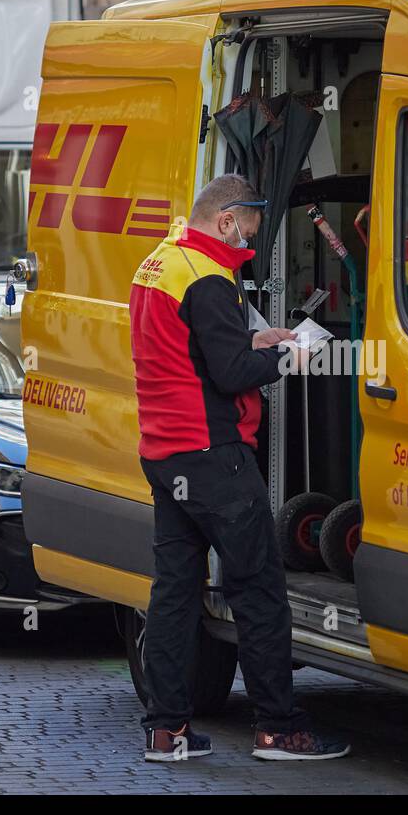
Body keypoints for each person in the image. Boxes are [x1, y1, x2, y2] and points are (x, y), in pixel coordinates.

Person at [129, 173, 350, 763]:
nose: (245, 250)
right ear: (225, 220)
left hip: (164, 453)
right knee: (258, 589)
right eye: (245, 236)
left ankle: (166, 730)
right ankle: (280, 728)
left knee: (174, 593)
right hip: (214, 459)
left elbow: (195, 352)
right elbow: (227, 375)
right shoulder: (208, 275)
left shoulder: (161, 262)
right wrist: (288, 354)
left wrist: (257, 338)